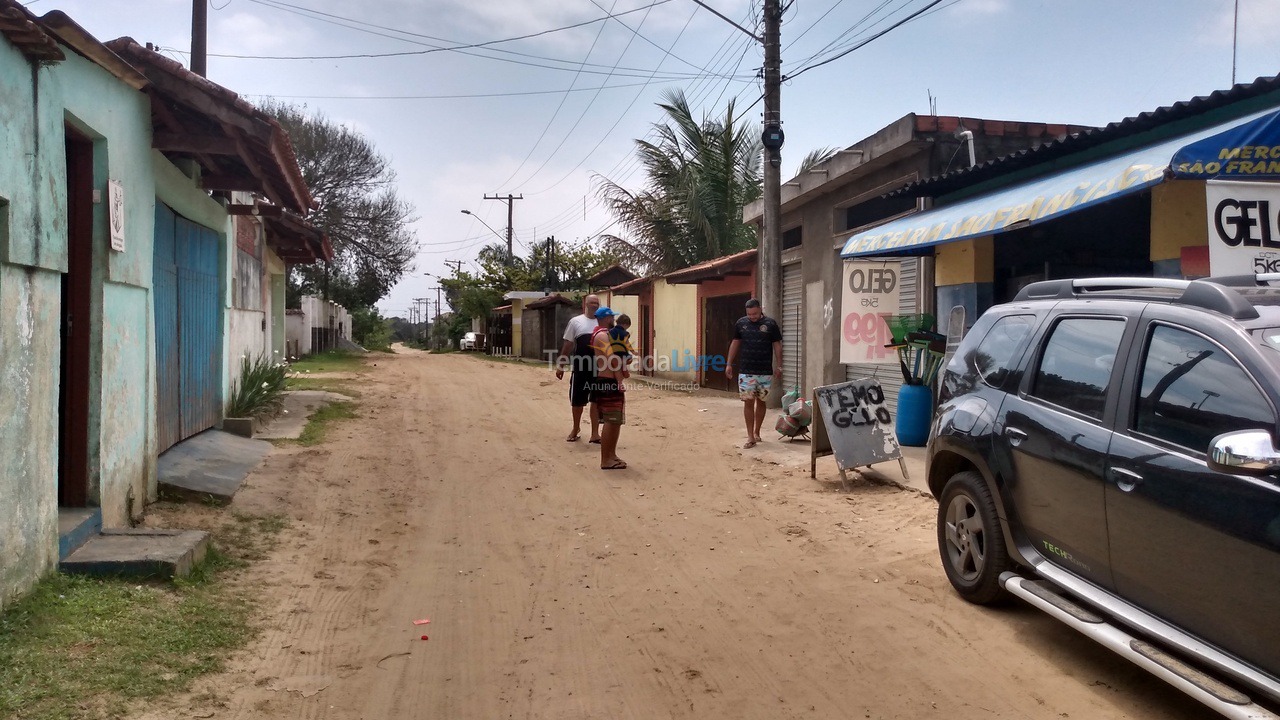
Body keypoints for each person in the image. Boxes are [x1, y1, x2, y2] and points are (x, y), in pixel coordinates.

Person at [725, 298, 783, 449]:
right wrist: (729, 364)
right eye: (750, 314)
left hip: (764, 371)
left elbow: (777, 345)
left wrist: (780, 366)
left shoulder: (770, 324)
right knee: (748, 402)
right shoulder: (741, 323)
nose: (752, 317)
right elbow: (735, 342)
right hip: (746, 371)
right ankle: (750, 436)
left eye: (755, 314)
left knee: (761, 401)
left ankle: (757, 432)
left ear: (760, 309)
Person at [555, 294, 601, 443]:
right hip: (581, 368)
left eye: (597, 303)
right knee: (577, 400)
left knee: (596, 400)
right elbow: (568, 345)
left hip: (599, 368)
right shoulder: (576, 322)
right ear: (585, 304)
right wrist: (560, 365)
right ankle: (576, 428)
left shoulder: (603, 322)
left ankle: (595, 433)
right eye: (592, 302)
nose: (594, 305)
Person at [590, 307, 627, 469]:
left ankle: (611, 455)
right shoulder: (603, 336)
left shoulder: (604, 334)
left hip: (609, 381)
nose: (614, 320)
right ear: (606, 319)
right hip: (607, 381)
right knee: (611, 421)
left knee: (616, 421)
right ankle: (606, 459)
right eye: (612, 317)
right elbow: (613, 359)